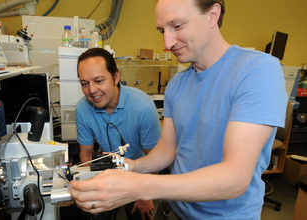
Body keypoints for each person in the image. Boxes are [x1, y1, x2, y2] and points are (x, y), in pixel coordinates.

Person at [69, 0, 288, 219]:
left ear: (213, 15)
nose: (167, 42)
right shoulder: (178, 83)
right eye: (162, 30)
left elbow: (235, 178)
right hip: (174, 210)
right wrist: (134, 166)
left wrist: (138, 186)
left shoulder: (257, 71)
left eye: (177, 26)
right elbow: (167, 149)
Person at [74, 48, 161, 220]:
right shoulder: (82, 109)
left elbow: (156, 158)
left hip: (139, 178)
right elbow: (86, 154)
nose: (91, 90)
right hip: (106, 174)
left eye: (99, 81)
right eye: (84, 83)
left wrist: (145, 195)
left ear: (115, 77)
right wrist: (91, 190)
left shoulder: (142, 106)